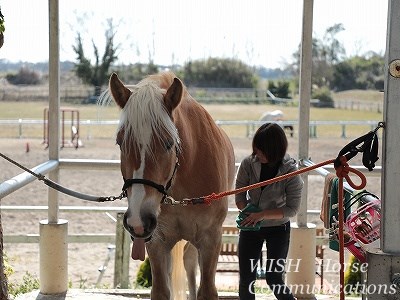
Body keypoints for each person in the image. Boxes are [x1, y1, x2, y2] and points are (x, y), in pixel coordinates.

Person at [235, 122, 303, 300]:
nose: (257, 154)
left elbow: (292, 209)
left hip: (278, 229)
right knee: (246, 279)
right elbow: (239, 194)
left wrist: (262, 215)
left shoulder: (291, 172)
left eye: (261, 150)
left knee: (274, 279)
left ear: (275, 150)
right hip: (250, 227)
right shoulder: (248, 164)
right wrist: (247, 212)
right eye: (256, 149)